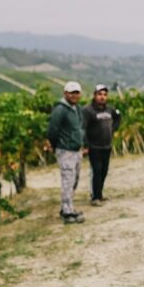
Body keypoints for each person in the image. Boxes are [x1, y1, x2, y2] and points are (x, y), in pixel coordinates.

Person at [47, 81, 86, 224]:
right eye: (71, 92)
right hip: (66, 151)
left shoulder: (77, 109)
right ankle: (67, 212)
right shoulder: (60, 109)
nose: (74, 95)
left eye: (77, 92)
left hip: (76, 150)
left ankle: (68, 207)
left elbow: (80, 127)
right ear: (65, 93)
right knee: (68, 181)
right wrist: (56, 145)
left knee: (74, 180)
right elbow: (53, 130)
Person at [82, 84, 120, 206]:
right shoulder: (88, 110)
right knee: (96, 171)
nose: (102, 97)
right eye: (100, 94)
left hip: (107, 146)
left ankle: (100, 194)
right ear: (94, 95)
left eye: (104, 94)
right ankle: (95, 197)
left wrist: (113, 128)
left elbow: (118, 117)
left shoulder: (110, 109)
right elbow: (83, 128)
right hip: (94, 147)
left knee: (104, 171)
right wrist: (86, 145)